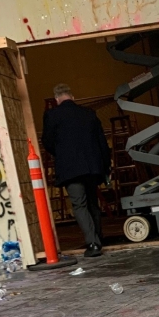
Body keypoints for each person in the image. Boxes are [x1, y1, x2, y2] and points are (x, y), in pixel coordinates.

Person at [42, 84, 111, 257]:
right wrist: (105, 165)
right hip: (92, 167)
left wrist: (61, 154)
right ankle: (98, 237)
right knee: (92, 202)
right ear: (72, 97)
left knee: (79, 204)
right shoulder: (89, 114)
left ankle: (93, 244)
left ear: (57, 100)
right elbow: (102, 142)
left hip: (70, 168)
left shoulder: (52, 115)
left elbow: (47, 141)